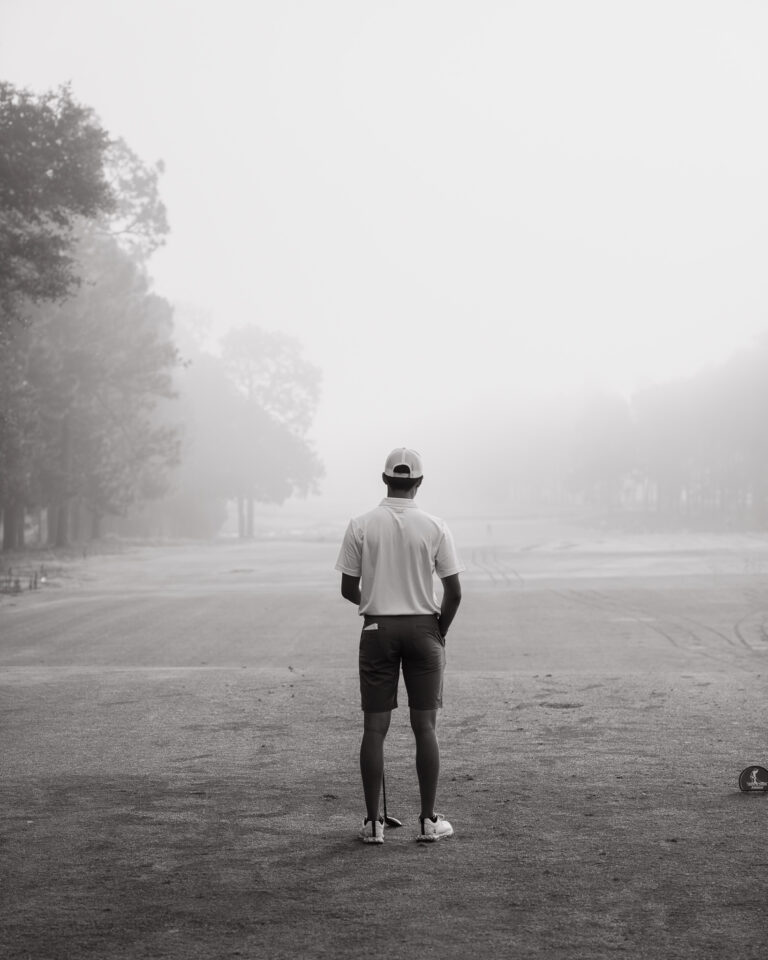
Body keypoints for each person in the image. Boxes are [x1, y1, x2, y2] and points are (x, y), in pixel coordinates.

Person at [335, 447, 464, 844]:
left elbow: (347, 589)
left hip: (377, 630)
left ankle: (373, 825)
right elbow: (454, 592)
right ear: (419, 482)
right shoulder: (436, 525)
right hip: (425, 629)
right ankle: (428, 821)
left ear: (385, 479)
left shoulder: (360, 524)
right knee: (425, 727)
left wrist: (379, 604)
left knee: (375, 728)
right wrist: (436, 630)